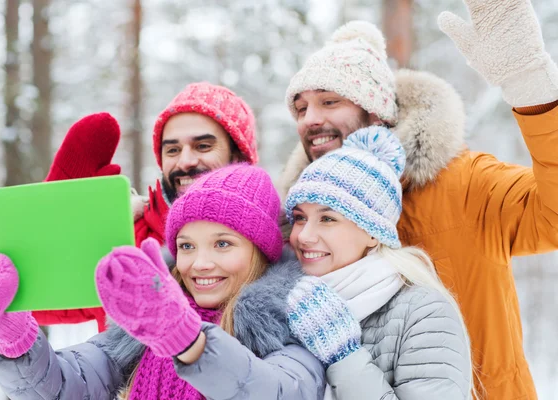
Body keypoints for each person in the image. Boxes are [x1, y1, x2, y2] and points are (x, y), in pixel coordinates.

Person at [280, 1, 558, 397]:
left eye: (329, 101)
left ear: (376, 114)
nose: (309, 119)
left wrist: (531, 86)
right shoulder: (297, 222)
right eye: (301, 107)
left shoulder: (463, 183)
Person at [0, 164, 325, 399]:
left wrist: (186, 338)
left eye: (222, 244)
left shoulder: (293, 324)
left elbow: (277, 391)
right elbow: (67, 386)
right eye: (186, 246)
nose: (199, 263)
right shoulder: (144, 324)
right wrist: (12, 336)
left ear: (260, 251)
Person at [34, 82, 259, 332]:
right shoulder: (127, 240)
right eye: (172, 149)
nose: (185, 161)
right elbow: (33, 302)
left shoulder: (271, 243)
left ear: (238, 156)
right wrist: (59, 213)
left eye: (203, 146)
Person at [283, 126, 473, 399]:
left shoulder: (424, 312)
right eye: (301, 217)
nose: (304, 236)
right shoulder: (285, 299)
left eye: (327, 219)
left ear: (373, 232)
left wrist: (344, 357)